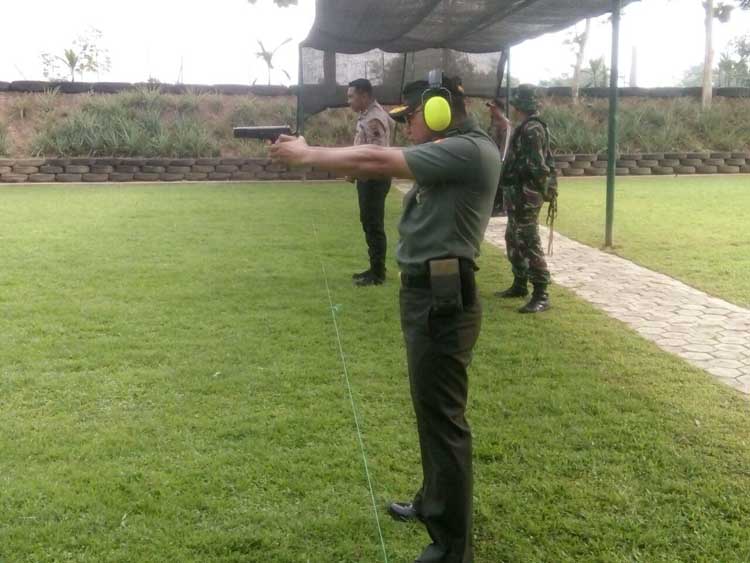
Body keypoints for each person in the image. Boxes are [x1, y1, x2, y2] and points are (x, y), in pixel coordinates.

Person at [270, 73, 501, 563]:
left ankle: (452, 549)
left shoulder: (469, 150)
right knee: (429, 411)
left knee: (444, 422)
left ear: (437, 111)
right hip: (426, 294)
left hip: (443, 299)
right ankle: (430, 501)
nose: (407, 126)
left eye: (411, 116)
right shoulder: (453, 151)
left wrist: (308, 154)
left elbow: (375, 160)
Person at [496, 84, 557, 314]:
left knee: (529, 241)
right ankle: (520, 284)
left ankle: (541, 293)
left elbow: (537, 166)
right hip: (518, 194)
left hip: (526, 196)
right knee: (513, 237)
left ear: (519, 105)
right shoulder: (525, 126)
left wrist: (512, 173)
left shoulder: (533, 129)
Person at [346, 78, 393, 287]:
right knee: (369, 222)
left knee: (374, 224)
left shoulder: (374, 119)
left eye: (351, 96)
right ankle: (374, 268)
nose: (348, 101)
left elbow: (375, 155)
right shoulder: (366, 115)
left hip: (374, 179)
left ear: (364, 96)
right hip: (367, 178)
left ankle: (378, 273)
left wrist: (355, 171)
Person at [486, 97, 511, 216]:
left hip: (501, 161)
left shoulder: (505, 124)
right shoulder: (493, 122)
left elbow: (505, 146)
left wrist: (501, 161)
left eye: (492, 107)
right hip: (492, 159)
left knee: (500, 184)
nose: (490, 110)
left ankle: (502, 208)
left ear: (498, 109)